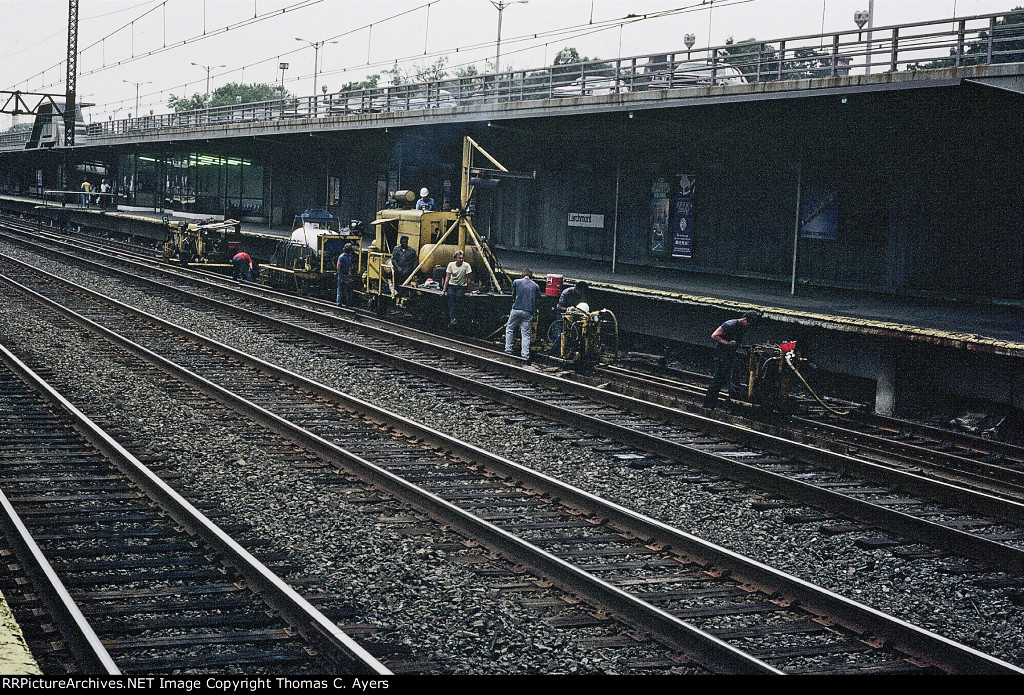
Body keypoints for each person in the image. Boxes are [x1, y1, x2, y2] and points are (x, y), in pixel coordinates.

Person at [702, 310, 761, 409]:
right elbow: (714, 335)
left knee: (719, 380)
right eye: (749, 324)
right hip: (722, 354)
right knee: (730, 379)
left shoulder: (743, 327)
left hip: (730, 355)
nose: (749, 326)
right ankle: (734, 407)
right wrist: (727, 343)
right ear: (745, 319)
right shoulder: (730, 324)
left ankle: (709, 405)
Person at [505, 268, 541, 360]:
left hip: (516, 309)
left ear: (523, 274)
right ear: (531, 275)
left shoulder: (516, 282)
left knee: (510, 329)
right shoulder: (535, 285)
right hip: (528, 311)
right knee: (525, 334)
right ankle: (525, 355)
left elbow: (513, 294)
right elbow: (538, 299)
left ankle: (508, 350)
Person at [548, 280, 589, 355]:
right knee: (561, 333)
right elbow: (558, 306)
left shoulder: (582, 294)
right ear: (576, 289)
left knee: (574, 333)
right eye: (581, 292)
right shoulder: (567, 292)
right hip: (562, 314)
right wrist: (567, 309)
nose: (582, 294)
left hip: (575, 315)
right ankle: (553, 352)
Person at [442, 249, 473, 326]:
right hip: (452, 285)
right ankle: (452, 318)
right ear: (455, 258)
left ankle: (458, 317)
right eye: (459, 258)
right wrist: (444, 290)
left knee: (459, 297)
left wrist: (471, 292)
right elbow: (447, 278)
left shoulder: (466, 266)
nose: (461, 260)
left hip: (461, 286)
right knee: (451, 296)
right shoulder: (451, 265)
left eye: (462, 258)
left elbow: (469, 279)